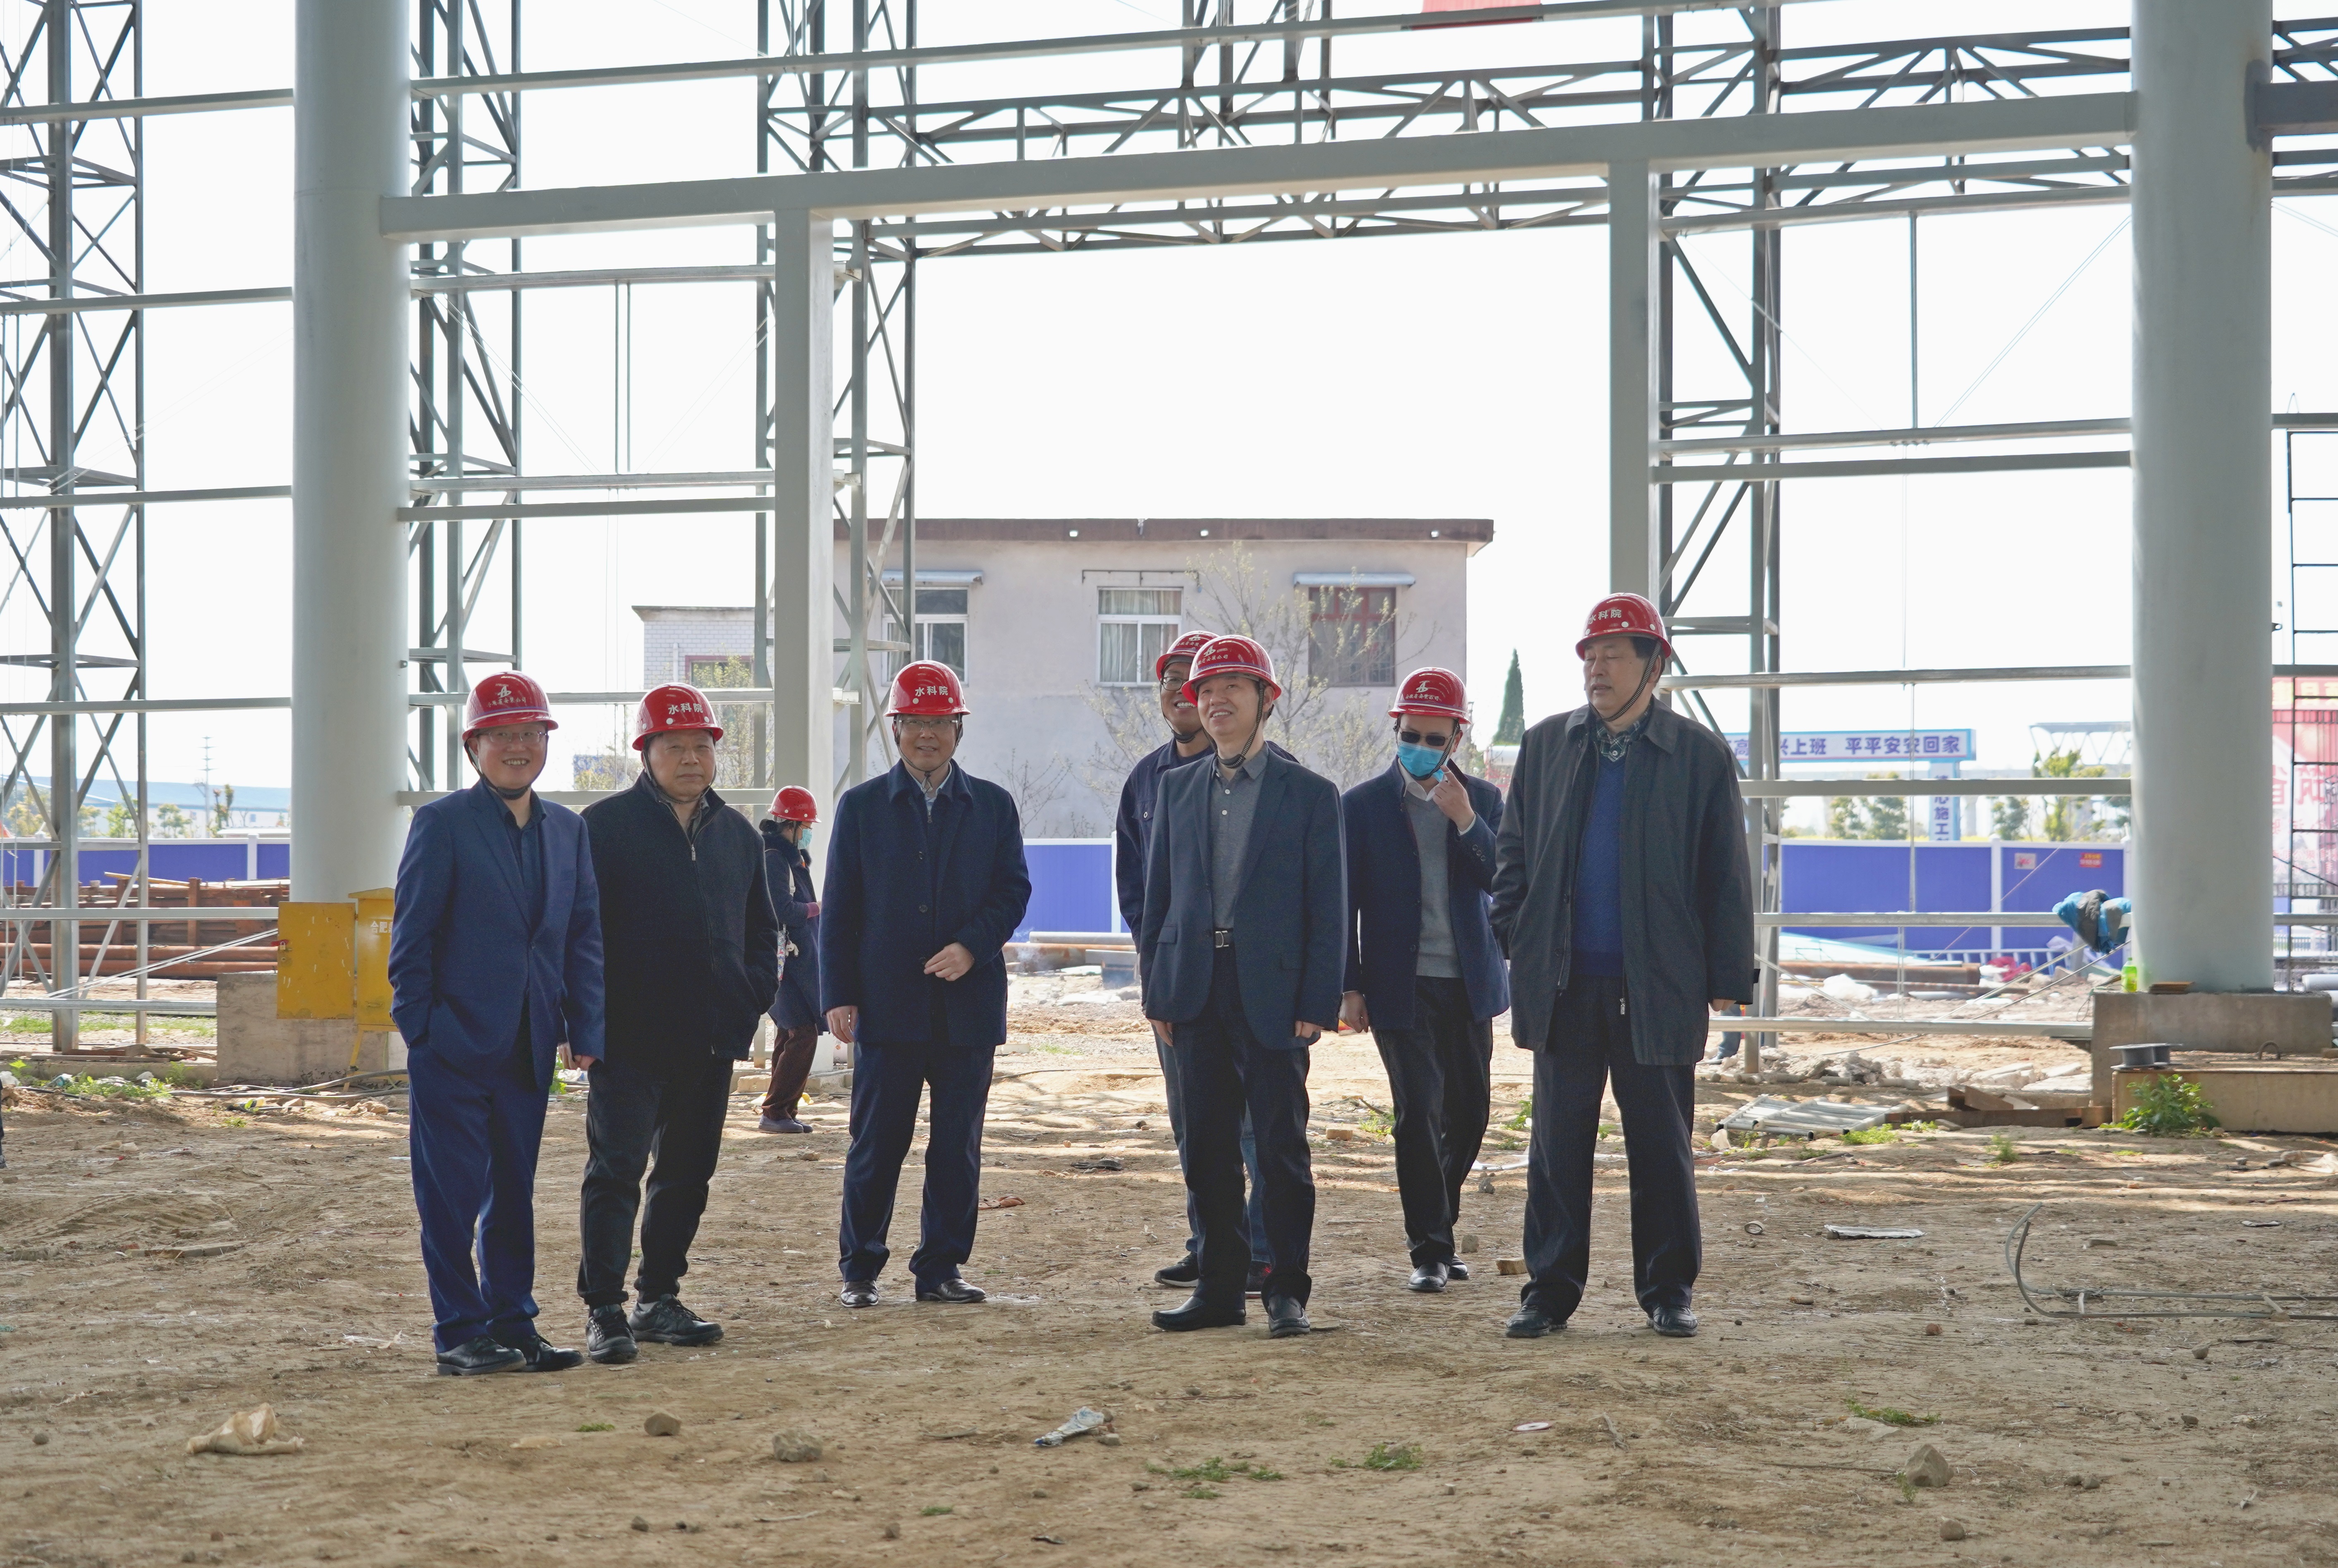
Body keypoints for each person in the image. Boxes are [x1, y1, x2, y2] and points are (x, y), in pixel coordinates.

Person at [1490, 594, 1754, 1341]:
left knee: (1661, 1146)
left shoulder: (1697, 755)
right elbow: (1512, 855)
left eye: (1612, 655)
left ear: (1653, 664)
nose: (1596, 669)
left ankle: (1667, 1291)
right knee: (1556, 1146)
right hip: (1564, 982)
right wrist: (1518, 936)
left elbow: (1724, 874)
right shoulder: (1547, 746)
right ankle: (1548, 1292)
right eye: (1589, 656)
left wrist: (1726, 978)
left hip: (1657, 984)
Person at [389, 672, 603, 1376]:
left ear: (546, 742)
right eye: (502, 735)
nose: (518, 747)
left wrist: (584, 1028)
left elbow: (581, 937)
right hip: (452, 1044)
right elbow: (412, 939)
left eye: (531, 733)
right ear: (473, 746)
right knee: (450, 1197)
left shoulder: (568, 830)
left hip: (528, 1045)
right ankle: (459, 1331)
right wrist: (423, 1031)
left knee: (513, 1193)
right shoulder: (443, 824)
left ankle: (514, 1323)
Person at [1139, 635, 1344, 1338]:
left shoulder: (1309, 794)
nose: (1214, 699)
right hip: (1194, 989)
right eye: (1204, 689)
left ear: (1266, 699)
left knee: (1280, 1150)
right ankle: (1219, 1290)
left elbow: (1328, 906)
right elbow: (1158, 901)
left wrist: (1316, 1003)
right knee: (1207, 1149)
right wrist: (1157, 991)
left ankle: (1285, 1292)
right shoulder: (1175, 790)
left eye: (1232, 686)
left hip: (1274, 996)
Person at [574, 682, 779, 1364]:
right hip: (627, 1041)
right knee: (616, 1171)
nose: (691, 758)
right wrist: (583, 1023)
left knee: (687, 1175)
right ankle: (605, 1309)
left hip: (710, 1037)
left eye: (701, 746)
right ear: (646, 752)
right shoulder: (602, 829)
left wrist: (751, 995)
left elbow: (761, 930)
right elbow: (578, 933)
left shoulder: (738, 835)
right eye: (675, 747)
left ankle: (657, 1298)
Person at [823, 661, 1031, 1309]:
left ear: (958, 729)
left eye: (939, 722)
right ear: (895, 729)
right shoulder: (862, 808)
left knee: (956, 1147)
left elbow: (1013, 891)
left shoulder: (991, 806)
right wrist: (837, 994)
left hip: (967, 1008)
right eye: (914, 721)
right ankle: (860, 1269)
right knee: (876, 1143)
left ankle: (941, 1268)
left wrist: (973, 946)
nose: (926, 735)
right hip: (887, 1005)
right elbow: (840, 907)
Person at [1339, 667, 1509, 1294]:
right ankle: (1430, 1250)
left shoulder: (1483, 800)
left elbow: (1503, 881)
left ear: (1456, 739)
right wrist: (1348, 986)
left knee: (1469, 1115)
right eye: (1410, 735)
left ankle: (1442, 1223)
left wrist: (1464, 820)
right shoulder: (1361, 806)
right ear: (1397, 730)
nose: (1420, 747)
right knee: (1417, 1114)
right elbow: (1343, 904)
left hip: (1469, 984)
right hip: (1398, 986)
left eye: (1434, 738)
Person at [1113, 628, 1272, 1296]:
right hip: (1182, 984)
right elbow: (1137, 891)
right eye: (1173, 681)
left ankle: (1261, 1251)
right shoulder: (1148, 781)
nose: (1183, 692)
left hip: (1254, 982)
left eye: (1199, 681)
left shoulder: (1274, 776)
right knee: (1195, 1123)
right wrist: (1159, 972)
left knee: (1257, 1126)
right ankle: (1210, 1246)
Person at [757, 785, 824, 1135]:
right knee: (804, 1033)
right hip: (782, 963)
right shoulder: (774, 859)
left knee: (790, 1033)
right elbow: (781, 909)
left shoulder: (790, 859)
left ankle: (782, 1111)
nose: (809, 832)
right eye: (807, 826)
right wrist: (818, 908)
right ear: (792, 825)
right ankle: (775, 1112)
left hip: (793, 961)